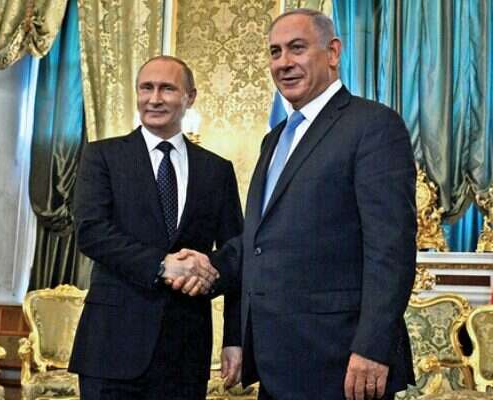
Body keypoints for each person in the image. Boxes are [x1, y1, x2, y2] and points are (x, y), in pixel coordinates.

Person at [174, 8, 417, 400]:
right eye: (275, 52)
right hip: (277, 361)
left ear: (333, 52)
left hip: (341, 361)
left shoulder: (373, 126)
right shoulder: (274, 139)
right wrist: (208, 266)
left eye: (297, 48)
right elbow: (259, 241)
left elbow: (391, 248)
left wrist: (372, 347)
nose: (283, 62)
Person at [68, 55, 244, 400]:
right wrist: (163, 265)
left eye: (167, 89)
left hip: (185, 353)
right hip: (111, 349)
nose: (154, 98)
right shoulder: (102, 156)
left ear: (190, 97)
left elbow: (236, 255)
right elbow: (92, 233)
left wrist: (234, 339)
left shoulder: (216, 170)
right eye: (146, 88)